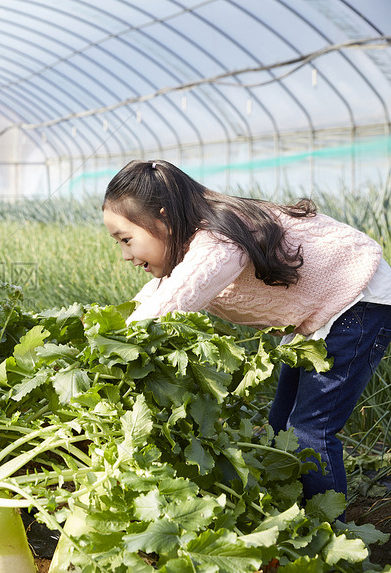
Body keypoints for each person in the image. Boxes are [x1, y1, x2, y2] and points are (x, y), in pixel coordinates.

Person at [101, 159, 391, 516]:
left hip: (357, 301)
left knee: (309, 433)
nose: (126, 255)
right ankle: (294, 513)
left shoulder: (217, 241)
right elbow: (157, 293)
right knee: (279, 427)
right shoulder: (196, 243)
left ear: (163, 218)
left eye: (126, 240)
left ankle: (332, 533)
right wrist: (107, 332)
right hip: (321, 315)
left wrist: (109, 349)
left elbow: (171, 302)